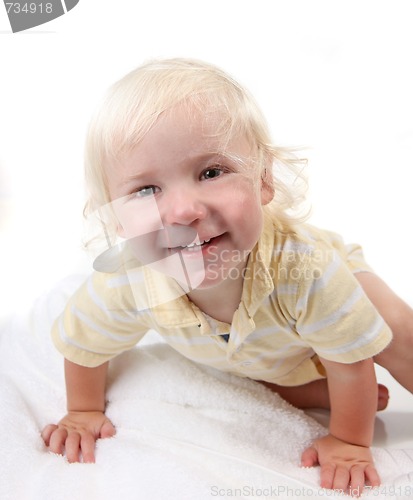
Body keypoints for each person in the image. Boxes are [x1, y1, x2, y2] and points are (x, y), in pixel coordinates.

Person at [41, 58, 413, 494]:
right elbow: (83, 345)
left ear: (263, 181)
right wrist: (83, 411)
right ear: (116, 218)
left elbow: (352, 364)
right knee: (245, 375)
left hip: (331, 287)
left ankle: (342, 369)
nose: (183, 211)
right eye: (146, 190)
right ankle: (310, 388)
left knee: (393, 331)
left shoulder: (307, 269)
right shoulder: (127, 282)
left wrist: (349, 442)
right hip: (265, 347)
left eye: (211, 172)